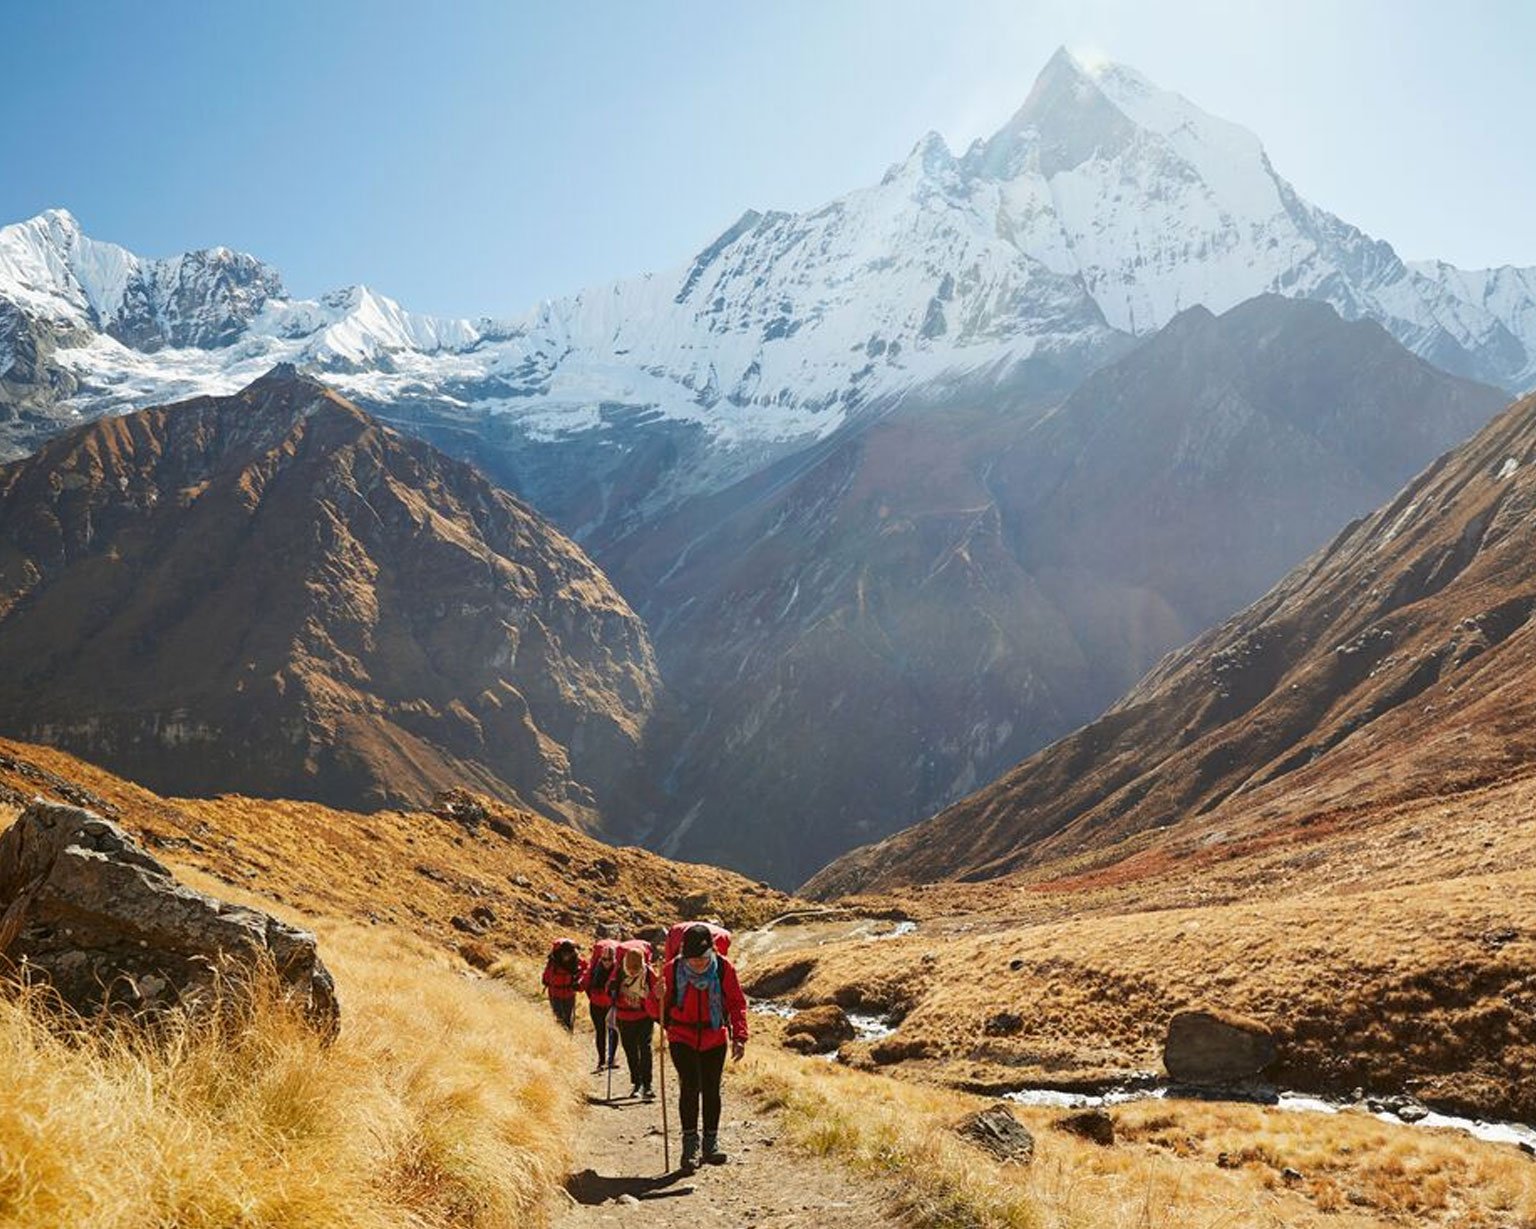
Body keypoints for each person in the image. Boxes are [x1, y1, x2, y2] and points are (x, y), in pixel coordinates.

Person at [650, 922, 748, 1170]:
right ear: (684, 954)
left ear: (711, 951)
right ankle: (690, 1146)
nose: (697, 964)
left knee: (712, 1089)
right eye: (692, 960)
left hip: (715, 1036)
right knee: (691, 1086)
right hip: (681, 1036)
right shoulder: (672, 970)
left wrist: (740, 1036)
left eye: (702, 959)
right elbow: (655, 1012)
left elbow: (736, 1003)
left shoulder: (724, 968)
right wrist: (656, 995)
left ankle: (710, 1143)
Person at [608, 943, 656, 1099]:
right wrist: (611, 988)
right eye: (630, 967)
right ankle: (637, 1083)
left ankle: (647, 1085)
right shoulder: (619, 973)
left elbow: (656, 993)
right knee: (631, 1052)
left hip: (644, 1017)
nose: (633, 971)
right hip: (624, 1017)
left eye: (636, 967)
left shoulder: (648, 973)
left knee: (645, 1049)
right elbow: (608, 990)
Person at [581, 940, 620, 1073]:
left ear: (614, 958)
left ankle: (611, 1059)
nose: (607, 962)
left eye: (609, 959)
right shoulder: (595, 969)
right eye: (604, 959)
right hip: (596, 1004)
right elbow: (586, 982)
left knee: (613, 1030)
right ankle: (601, 1060)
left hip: (611, 1005)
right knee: (600, 1031)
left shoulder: (618, 970)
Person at [541, 938, 584, 1031]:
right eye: (564, 954)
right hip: (555, 994)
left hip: (569, 993)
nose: (566, 956)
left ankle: (568, 1038)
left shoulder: (576, 961)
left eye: (568, 954)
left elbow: (584, 971)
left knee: (568, 1018)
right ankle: (561, 1038)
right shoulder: (554, 960)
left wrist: (578, 983)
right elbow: (548, 973)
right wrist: (545, 980)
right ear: (561, 952)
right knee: (558, 1018)